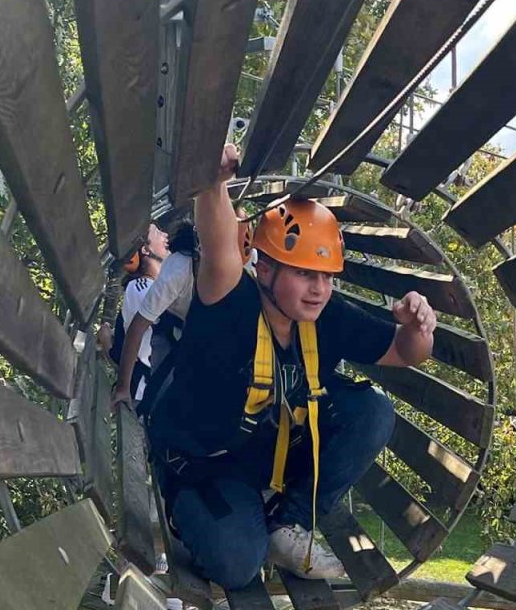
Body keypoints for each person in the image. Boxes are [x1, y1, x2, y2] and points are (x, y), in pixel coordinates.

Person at [147, 144, 436, 588]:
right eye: (303, 273)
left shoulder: (326, 315)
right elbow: (219, 242)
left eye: (326, 276)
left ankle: (289, 523)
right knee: (238, 565)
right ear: (264, 270)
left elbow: (404, 352)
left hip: (269, 462)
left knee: (373, 410)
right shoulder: (230, 301)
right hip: (206, 467)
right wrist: (214, 182)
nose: (319, 289)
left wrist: (420, 327)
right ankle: (208, 522)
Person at [115, 219, 254, 417]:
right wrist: (122, 388)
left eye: (229, 271)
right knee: (164, 399)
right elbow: (137, 327)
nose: (222, 277)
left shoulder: (247, 270)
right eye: (216, 268)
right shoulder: (177, 270)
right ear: (200, 255)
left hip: (212, 331)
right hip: (171, 333)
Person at [113, 223, 170, 407]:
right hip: (151, 392)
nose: (166, 235)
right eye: (158, 233)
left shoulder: (162, 285)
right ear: (145, 249)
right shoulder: (140, 288)